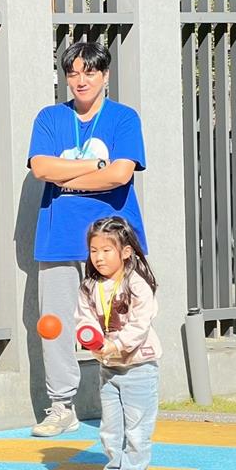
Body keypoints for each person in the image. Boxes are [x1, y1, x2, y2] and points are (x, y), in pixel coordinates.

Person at [28, 41, 147, 437]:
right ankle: (61, 407)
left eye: (90, 72)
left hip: (113, 238)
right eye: (73, 73)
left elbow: (120, 174)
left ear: (105, 75)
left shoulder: (123, 118)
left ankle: (121, 403)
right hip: (59, 237)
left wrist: (69, 178)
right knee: (57, 324)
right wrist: (94, 165)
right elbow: (42, 169)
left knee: (119, 319)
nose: (81, 80)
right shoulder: (50, 118)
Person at [75, 216, 161, 470]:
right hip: (109, 367)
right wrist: (89, 337)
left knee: (137, 426)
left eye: (106, 250)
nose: (98, 257)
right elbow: (84, 319)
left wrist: (116, 345)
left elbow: (140, 324)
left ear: (125, 252)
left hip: (139, 366)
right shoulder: (89, 286)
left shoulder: (137, 285)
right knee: (111, 426)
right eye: (93, 250)